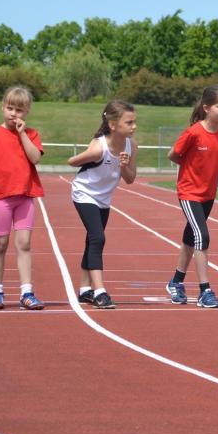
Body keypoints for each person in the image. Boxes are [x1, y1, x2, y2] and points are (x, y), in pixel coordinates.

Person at [165, 84, 218, 308]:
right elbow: (173, 155)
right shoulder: (193, 133)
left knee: (191, 238)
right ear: (207, 108)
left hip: (208, 194)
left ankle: (176, 282)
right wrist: (190, 167)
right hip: (189, 192)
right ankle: (205, 291)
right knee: (202, 236)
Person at [0, 86, 45, 310]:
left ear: (27, 112)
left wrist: (22, 134)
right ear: (2, 107)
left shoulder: (31, 134)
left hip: (25, 196)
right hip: (0, 198)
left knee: (24, 243)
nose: (14, 113)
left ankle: (27, 292)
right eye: (10, 108)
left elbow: (35, 158)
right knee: (0, 244)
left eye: (19, 110)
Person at [68, 101, 138, 309]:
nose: (134, 126)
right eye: (129, 122)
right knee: (98, 238)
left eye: (134, 122)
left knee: (92, 240)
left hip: (104, 198)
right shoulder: (99, 146)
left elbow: (130, 179)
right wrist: (92, 155)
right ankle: (100, 292)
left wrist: (123, 166)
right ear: (113, 125)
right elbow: (72, 161)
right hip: (84, 193)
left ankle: (84, 291)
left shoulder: (131, 146)